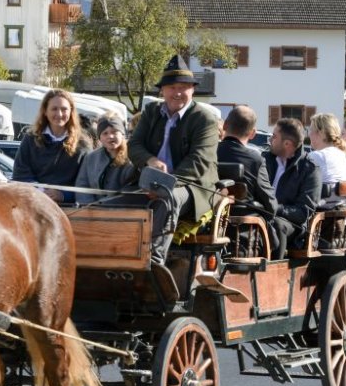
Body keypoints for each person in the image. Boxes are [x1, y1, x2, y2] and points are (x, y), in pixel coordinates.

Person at [128, 54, 219, 263]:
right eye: (171, 87)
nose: (177, 93)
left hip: (192, 187)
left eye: (183, 87)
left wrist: (163, 184)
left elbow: (198, 162)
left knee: (167, 198)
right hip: (149, 182)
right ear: (162, 90)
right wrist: (150, 160)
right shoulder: (151, 112)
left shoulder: (204, 119)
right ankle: (115, 252)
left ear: (192, 89)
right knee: (116, 200)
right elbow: (134, 146)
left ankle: (154, 259)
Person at [217, 105, 280, 256]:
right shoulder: (255, 159)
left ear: (225, 125)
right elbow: (270, 204)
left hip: (208, 229)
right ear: (252, 133)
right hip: (243, 237)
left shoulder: (209, 152)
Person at [12, 89, 91, 203]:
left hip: (68, 209)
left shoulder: (82, 144)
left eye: (64, 109)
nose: (59, 114)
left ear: (71, 111)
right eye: (54, 109)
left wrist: (63, 195)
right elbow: (20, 174)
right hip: (32, 204)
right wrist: (40, 191)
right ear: (45, 111)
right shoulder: (30, 139)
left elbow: (86, 183)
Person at [264, 118, 322, 254]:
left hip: (292, 226)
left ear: (287, 144)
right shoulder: (265, 159)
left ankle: (275, 266)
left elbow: (303, 212)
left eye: (274, 136)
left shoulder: (310, 169)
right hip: (264, 215)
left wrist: (275, 208)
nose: (270, 139)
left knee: (276, 225)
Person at [75, 113, 137, 204]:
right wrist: (90, 206)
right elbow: (82, 185)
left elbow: (131, 190)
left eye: (114, 132)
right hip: (91, 209)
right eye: (105, 133)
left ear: (122, 134)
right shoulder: (90, 158)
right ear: (100, 137)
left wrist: (104, 205)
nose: (110, 136)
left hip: (123, 209)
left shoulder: (134, 157)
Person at [306, 113, 346, 186]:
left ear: (321, 133)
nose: (309, 134)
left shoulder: (316, 156)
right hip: (342, 194)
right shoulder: (341, 155)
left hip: (325, 193)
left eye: (311, 130)